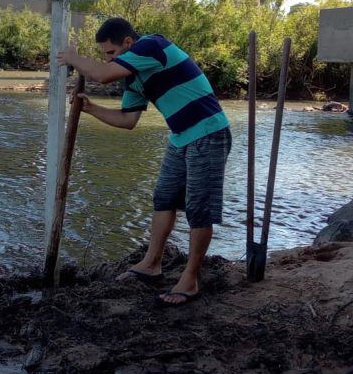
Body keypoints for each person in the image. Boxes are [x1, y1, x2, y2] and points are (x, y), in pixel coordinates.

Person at [57, 17, 231, 306]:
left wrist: (74, 58)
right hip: (181, 137)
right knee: (163, 198)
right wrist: (92, 109)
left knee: (198, 209)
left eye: (111, 53)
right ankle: (151, 264)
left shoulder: (153, 45)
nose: (109, 59)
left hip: (209, 133)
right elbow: (128, 121)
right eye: (106, 56)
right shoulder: (134, 77)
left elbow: (102, 75)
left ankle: (190, 280)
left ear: (128, 42)